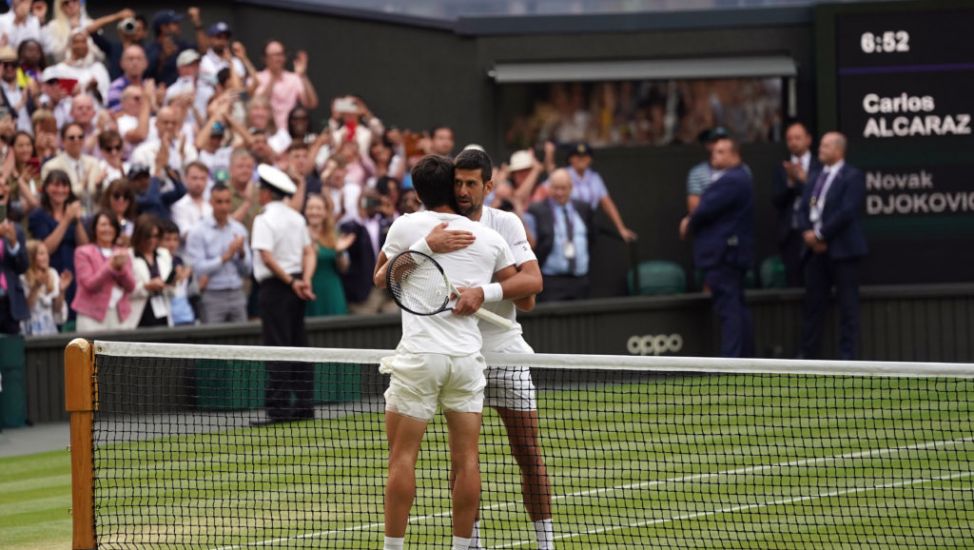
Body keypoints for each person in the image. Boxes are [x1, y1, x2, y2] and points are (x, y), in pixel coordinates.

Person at [371, 154, 518, 550]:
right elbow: (527, 288)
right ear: (455, 186)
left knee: (401, 460)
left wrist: (424, 247)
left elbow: (381, 279)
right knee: (467, 460)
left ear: (418, 193)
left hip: (420, 358)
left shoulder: (405, 226)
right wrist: (487, 292)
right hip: (467, 361)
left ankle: (393, 548)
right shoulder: (490, 238)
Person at [421, 147, 553, 549]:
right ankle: (471, 544)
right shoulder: (436, 227)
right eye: (457, 183)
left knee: (528, 449)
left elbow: (531, 290)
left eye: (471, 184)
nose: (462, 191)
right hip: (461, 356)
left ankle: (546, 543)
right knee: (463, 459)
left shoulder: (505, 224)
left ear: (489, 186)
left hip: (506, 352)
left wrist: (485, 291)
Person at [250, 164, 316, 424]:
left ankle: (278, 410)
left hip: (278, 288)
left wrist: (291, 282)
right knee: (298, 344)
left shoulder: (263, 219)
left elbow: (266, 256)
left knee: (277, 346)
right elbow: (309, 252)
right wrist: (304, 281)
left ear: (266, 193)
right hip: (296, 287)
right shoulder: (296, 218)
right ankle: (303, 407)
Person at [679, 137, 755, 358]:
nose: (715, 155)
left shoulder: (733, 179)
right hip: (729, 255)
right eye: (714, 151)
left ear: (735, 155)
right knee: (737, 308)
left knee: (730, 310)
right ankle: (748, 359)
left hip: (725, 256)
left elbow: (703, 209)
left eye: (721, 152)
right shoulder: (736, 178)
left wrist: (689, 222)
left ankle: (731, 363)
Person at [798, 131, 867, 360]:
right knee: (813, 307)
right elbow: (802, 210)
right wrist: (809, 235)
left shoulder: (852, 176)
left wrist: (820, 234)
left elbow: (847, 212)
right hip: (815, 253)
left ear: (839, 150)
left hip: (843, 252)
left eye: (826, 145)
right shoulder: (815, 176)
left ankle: (847, 359)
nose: (820, 149)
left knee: (848, 308)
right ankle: (807, 358)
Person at [185, 183, 251, 324]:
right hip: (211, 294)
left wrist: (241, 254)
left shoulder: (239, 230)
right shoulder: (198, 231)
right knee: (213, 342)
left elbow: (248, 270)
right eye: (219, 202)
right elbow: (197, 268)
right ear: (211, 202)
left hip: (236, 292)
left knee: (242, 341)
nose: (224, 207)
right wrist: (225, 257)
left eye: (227, 202)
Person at [524, 168, 594, 302]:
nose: (559, 193)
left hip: (580, 279)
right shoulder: (538, 210)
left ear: (571, 188)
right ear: (549, 188)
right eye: (556, 188)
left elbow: (592, 237)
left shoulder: (583, 208)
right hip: (551, 281)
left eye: (564, 188)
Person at [27, 169, 87, 312]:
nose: (60, 190)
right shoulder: (38, 215)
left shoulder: (72, 213)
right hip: (51, 273)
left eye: (64, 186)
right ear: (46, 188)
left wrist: (76, 221)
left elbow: (84, 246)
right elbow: (45, 248)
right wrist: (66, 220)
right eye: (55, 185)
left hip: (73, 273)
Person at [772, 121, 820, 287]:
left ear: (808, 139)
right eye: (789, 138)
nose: (793, 142)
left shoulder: (819, 166)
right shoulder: (781, 168)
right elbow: (777, 201)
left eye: (798, 138)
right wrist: (790, 184)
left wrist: (804, 181)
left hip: (815, 233)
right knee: (793, 281)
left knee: (815, 281)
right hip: (790, 233)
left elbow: (818, 198)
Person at [72, 211, 136, 332]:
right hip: (91, 316)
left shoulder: (123, 252)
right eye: (103, 225)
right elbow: (89, 284)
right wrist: (111, 267)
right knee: (91, 351)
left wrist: (121, 270)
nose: (107, 229)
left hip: (119, 316)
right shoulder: (83, 252)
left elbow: (131, 287)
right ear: (95, 228)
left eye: (111, 225)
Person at [562, 142, 636, 242]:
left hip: (589, 225)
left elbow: (607, 203)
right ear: (570, 158)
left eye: (585, 156)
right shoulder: (562, 175)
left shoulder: (594, 177)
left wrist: (621, 228)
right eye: (577, 156)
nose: (581, 159)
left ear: (590, 159)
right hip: (566, 224)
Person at [339, 189, 395, 314]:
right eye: (367, 201)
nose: (371, 204)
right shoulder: (351, 226)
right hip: (364, 290)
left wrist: (389, 214)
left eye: (374, 201)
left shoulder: (386, 223)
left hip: (388, 288)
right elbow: (348, 249)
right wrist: (361, 216)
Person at [304, 193, 351, 317]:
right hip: (307, 289)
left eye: (318, 208)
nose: (314, 212)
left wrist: (340, 251)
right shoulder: (299, 234)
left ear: (325, 212)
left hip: (331, 290)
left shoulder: (334, 235)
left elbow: (344, 268)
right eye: (310, 208)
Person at [255, 40, 318, 132]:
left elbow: (311, 103)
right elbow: (260, 103)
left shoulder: (293, 78)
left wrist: (303, 76)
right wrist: (273, 77)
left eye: (281, 54)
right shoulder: (257, 78)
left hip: (290, 133)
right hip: (266, 132)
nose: (279, 58)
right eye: (275, 55)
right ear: (265, 58)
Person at [40, 122, 101, 209]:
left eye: (80, 137)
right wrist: (81, 185)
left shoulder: (93, 163)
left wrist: (99, 185)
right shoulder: (51, 167)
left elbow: (96, 193)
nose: (77, 140)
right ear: (63, 141)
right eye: (72, 138)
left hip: (92, 213)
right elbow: (53, 197)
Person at [128, 214, 172, 328]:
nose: (152, 240)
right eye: (148, 236)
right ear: (139, 235)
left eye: (156, 236)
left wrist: (174, 281)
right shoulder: (129, 255)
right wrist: (147, 286)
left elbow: (173, 291)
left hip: (163, 313)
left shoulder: (164, 254)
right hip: (138, 315)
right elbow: (126, 291)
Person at [21, 239, 71, 335]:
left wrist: (61, 291)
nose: (46, 257)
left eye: (46, 253)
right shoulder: (22, 278)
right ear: (31, 257)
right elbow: (26, 310)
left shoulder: (53, 273)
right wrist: (36, 287)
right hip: (30, 331)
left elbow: (57, 311)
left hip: (50, 330)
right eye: (41, 254)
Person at [0, 192, 28, 335]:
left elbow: (23, 267)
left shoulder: (15, 229)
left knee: (11, 353)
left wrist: (13, 243)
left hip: (9, 303)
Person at [685, 127, 727, 213]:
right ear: (708, 145)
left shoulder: (742, 171)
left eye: (724, 141)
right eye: (715, 141)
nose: (720, 145)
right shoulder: (697, 173)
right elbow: (694, 209)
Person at [170, 160, 212, 238]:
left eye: (202, 178)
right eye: (194, 178)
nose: (198, 183)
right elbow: (186, 234)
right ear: (185, 179)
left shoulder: (211, 205)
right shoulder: (179, 207)